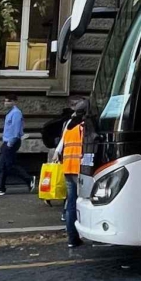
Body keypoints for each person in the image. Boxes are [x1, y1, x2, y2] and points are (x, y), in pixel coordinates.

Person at [0, 94, 35, 196]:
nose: (6, 103)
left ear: (14, 102)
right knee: (5, 165)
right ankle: (0, 187)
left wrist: (10, 143)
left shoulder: (16, 113)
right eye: (5, 101)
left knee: (6, 165)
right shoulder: (11, 113)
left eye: (8, 101)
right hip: (8, 141)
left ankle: (29, 179)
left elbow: (16, 129)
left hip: (11, 142)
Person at [59, 98, 88, 248]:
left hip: (68, 168)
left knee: (70, 204)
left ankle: (72, 238)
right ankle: (83, 232)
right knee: (82, 203)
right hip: (79, 169)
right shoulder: (83, 126)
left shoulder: (69, 126)